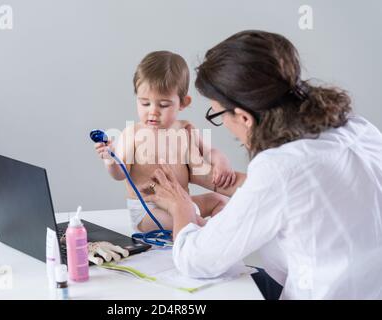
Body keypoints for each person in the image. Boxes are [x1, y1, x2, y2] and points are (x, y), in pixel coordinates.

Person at [139, 31, 382, 299]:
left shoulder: (279, 168)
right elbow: (307, 190)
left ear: (244, 117)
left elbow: (195, 260)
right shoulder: (356, 127)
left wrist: (181, 206)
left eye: (218, 114)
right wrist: (233, 184)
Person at [93, 51, 235, 232]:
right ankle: (212, 234)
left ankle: (211, 231)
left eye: (163, 105)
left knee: (220, 200)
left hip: (183, 204)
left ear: (183, 103)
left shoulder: (186, 129)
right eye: (145, 103)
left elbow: (210, 152)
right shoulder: (133, 134)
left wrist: (222, 162)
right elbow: (120, 174)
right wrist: (110, 160)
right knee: (190, 222)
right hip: (148, 211)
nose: (153, 111)